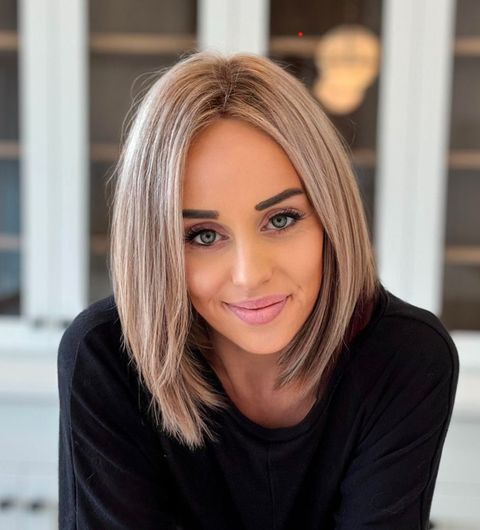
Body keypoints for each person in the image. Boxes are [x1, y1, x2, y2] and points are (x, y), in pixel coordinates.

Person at [57, 50, 459, 530]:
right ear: (154, 246)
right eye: (203, 235)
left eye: (281, 219)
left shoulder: (404, 356)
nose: (249, 274)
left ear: (332, 216)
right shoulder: (106, 357)